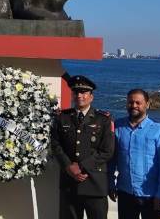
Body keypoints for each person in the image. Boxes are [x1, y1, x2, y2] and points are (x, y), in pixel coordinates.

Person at [51, 75, 114, 219]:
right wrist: (68, 166)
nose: (79, 95)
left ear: (91, 96)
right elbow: (55, 144)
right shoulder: (62, 117)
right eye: (76, 92)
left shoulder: (103, 119)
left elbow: (107, 150)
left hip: (95, 183)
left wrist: (82, 167)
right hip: (69, 182)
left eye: (84, 92)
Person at [108, 89, 160, 219]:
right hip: (125, 192)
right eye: (130, 102)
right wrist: (110, 183)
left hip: (151, 195)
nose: (134, 105)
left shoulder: (159, 130)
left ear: (147, 104)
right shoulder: (118, 127)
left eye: (138, 102)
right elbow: (112, 159)